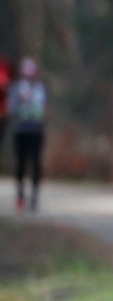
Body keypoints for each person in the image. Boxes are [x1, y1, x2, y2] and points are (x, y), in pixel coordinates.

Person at [9, 57, 46, 213]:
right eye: (27, 74)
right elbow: (12, 109)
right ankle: (20, 195)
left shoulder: (40, 89)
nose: (29, 77)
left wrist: (32, 103)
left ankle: (34, 196)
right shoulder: (17, 89)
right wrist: (21, 101)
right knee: (20, 164)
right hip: (20, 131)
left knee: (36, 163)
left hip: (36, 132)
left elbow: (42, 110)